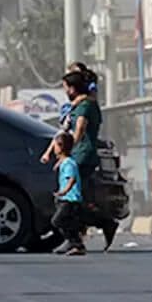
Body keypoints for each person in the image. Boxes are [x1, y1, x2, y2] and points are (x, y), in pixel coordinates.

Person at [59, 71, 118, 253]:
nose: (65, 92)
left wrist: (66, 152)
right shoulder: (83, 105)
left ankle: (89, 232)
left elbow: (79, 131)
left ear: (73, 88)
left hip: (82, 156)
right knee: (77, 199)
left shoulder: (85, 107)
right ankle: (81, 235)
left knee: (73, 201)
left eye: (66, 88)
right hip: (82, 155)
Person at [50, 132, 86, 255]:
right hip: (65, 199)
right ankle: (72, 242)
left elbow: (72, 179)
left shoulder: (69, 164)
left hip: (71, 199)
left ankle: (76, 242)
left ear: (61, 147)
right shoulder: (65, 162)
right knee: (63, 221)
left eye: (55, 146)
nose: (53, 148)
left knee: (57, 221)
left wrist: (63, 191)